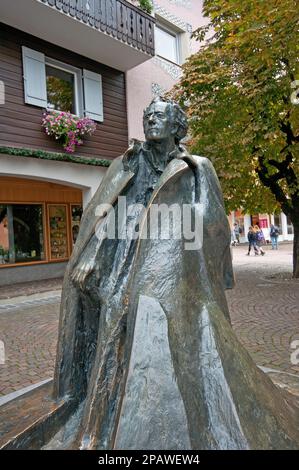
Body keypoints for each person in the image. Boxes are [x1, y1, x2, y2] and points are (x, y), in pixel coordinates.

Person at [50, 98, 299, 450]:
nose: (151, 118)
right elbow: (104, 213)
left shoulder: (197, 168)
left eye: (160, 115)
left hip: (172, 269)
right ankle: (100, 423)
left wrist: (182, 236)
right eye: (147, 114)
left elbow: (215, 226)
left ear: (177, 126)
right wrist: (90, 254)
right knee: (111, 326)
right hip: (121, 260)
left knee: (155, 328)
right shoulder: (126, 163)